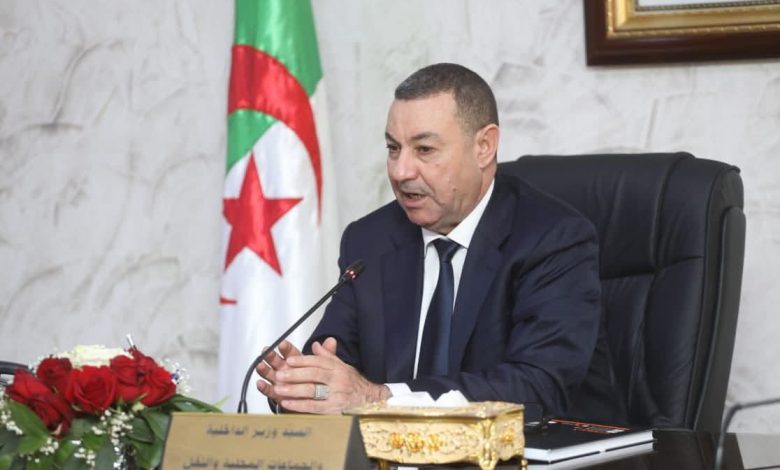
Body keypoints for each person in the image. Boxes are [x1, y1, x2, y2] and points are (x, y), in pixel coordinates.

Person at [255, 63, 601, 417]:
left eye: (424, 150)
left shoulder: (552, 239)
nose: (400, 171)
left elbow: (540, 386)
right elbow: (334, 362)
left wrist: (380, 398)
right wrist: (302, 386)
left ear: (484, 146)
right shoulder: (370, 241)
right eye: (393, 148)